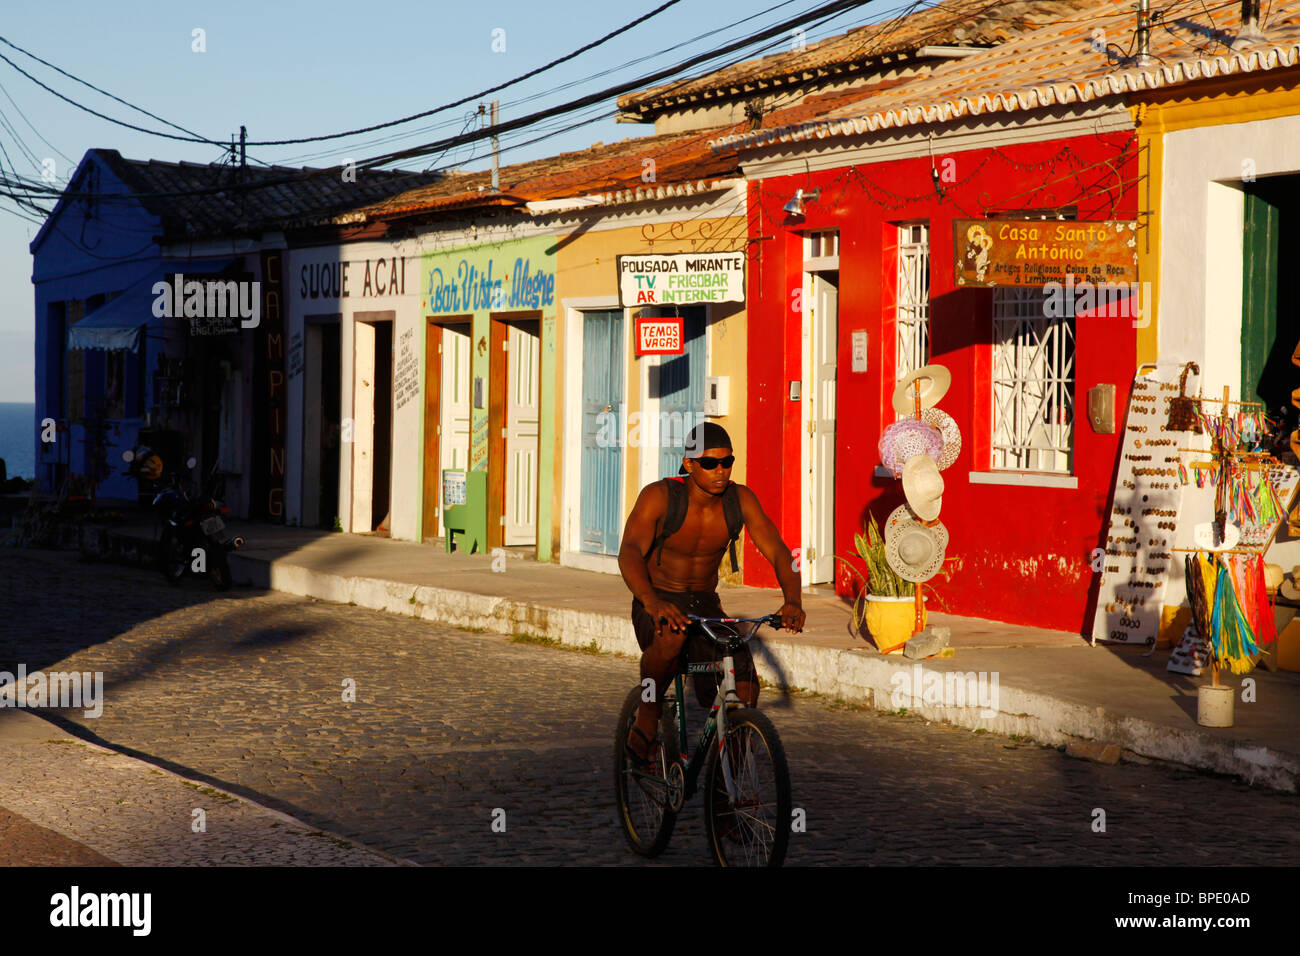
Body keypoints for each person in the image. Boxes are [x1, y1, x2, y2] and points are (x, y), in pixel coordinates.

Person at [618, 421, 805, 766]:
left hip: (704, 604)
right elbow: (629, 550)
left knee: (745, 681)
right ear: (689, 464)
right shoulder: (660, 496)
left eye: (727, 462)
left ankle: (728, 787)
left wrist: (793, 600)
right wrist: (651, 601)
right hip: (656, 597)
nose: (720, 471)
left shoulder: (740, 499)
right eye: (709, 464)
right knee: (671, 638)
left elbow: (780, 552)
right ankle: (647, 712)